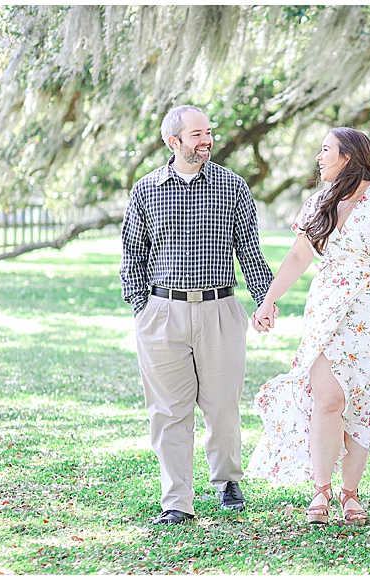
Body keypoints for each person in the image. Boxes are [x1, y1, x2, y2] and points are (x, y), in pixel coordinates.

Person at [246, 127, 370, 526]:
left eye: (325, 150)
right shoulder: (318, 202)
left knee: (361, 404)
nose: (319, 158)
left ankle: (350, 493)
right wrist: (269, 300)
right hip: (327, 309)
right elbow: (295, 259)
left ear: (348, 157)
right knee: (327, 399)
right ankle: (321, 489)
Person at [120, 105, 276, 525]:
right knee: (168, 412)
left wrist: (265, 300)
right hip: (162, 313)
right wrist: (143, 307)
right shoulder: (146, 189)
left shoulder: (233, 186)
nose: (206, 141)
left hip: (220, 309)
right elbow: (133, 252)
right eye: (196, 135)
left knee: (222, 407)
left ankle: (227, 480)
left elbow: (249, 250)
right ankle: (176, 502)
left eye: (208, 133)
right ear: (174, 141)